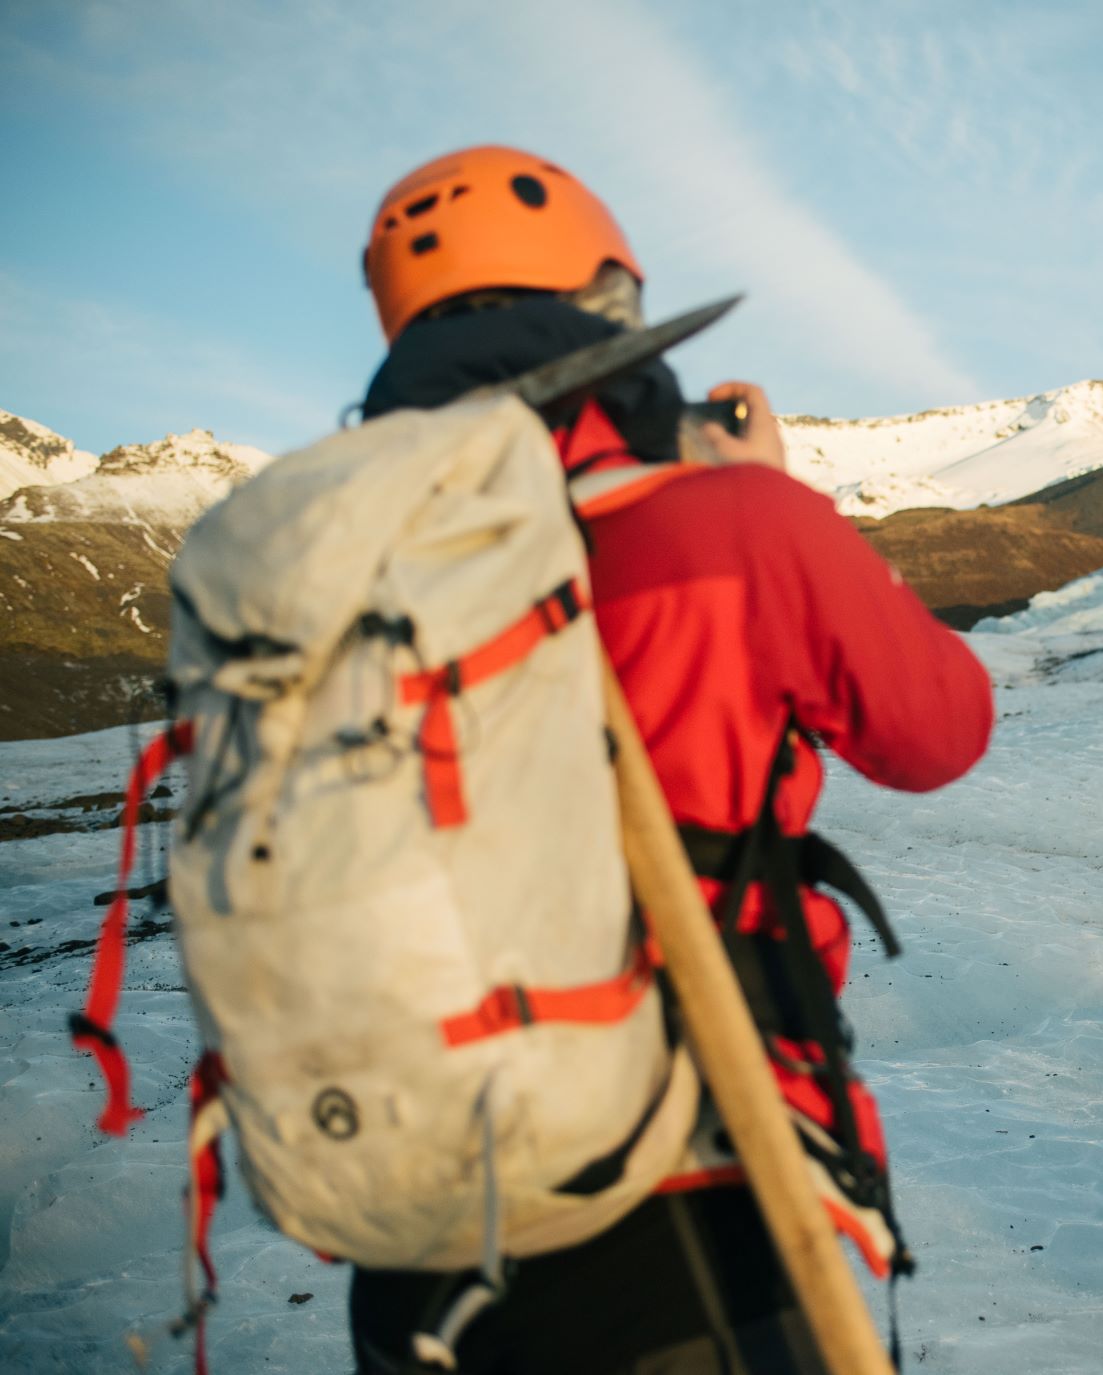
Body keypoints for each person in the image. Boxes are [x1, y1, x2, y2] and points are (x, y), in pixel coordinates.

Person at [346, 145, 994, 1374]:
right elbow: (939, 729)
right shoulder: (732, 519)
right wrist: (766, 502)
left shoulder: (339, 563)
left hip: (417, 1200)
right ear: (608, 309)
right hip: (687, 1177)